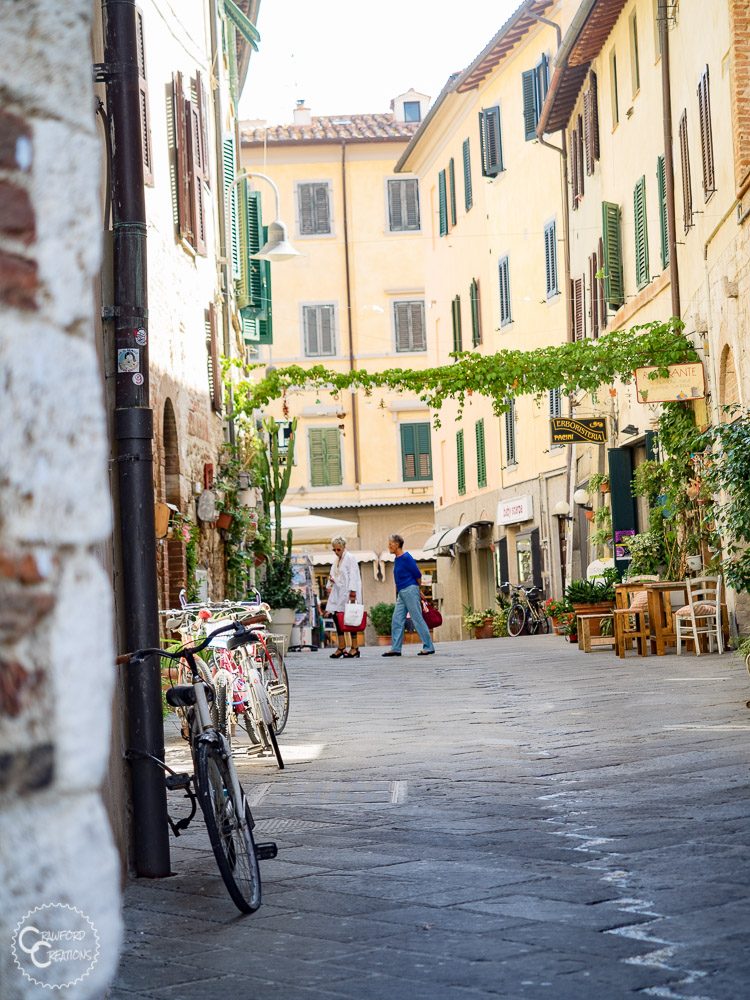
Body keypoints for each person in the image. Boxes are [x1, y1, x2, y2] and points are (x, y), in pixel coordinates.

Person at [382, 534, 435, 657]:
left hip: (410, 590)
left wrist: (417, 589)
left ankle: (429, 646)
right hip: (402, 593)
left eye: (390, 544)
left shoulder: (406, 557)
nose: (388, 546)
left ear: (396, 544)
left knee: (417, 618)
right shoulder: (397, 559)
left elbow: (417, 574)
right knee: (397, 619)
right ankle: (396, 648)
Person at [325, 536, 363, 659]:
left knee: (351, 618)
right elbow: (333, 573)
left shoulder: (350, 558)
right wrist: (329, 584)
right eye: (334, 550)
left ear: (343, 547)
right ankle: (341, 646)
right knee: (337, 617)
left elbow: (354, 575)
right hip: (338, 592)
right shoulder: (336, 561)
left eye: (338, 549)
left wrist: (353, 592)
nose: (336, 552)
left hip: (348, 592)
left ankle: (355, 647)